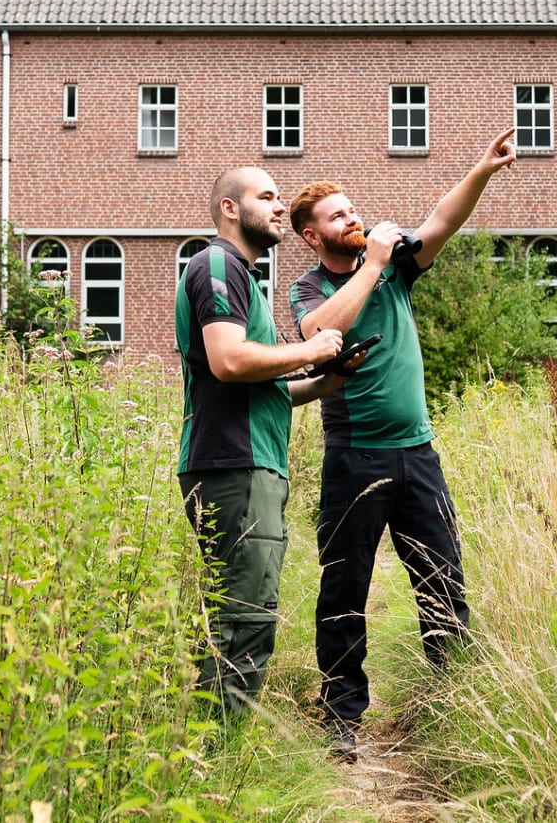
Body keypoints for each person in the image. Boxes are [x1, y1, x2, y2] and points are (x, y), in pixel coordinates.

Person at [286, 128, 518, 759]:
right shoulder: (311, 287)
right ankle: (342, 718)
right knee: (344, 590)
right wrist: (373, 266)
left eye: (352, 209)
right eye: (337, 216)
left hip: (419, 454)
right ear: (312, 236)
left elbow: (443, 220)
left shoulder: (398, 267)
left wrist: (482, 169)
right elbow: (320, 335)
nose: (352, 218)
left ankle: (454, 703)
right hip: (353, 457)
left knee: (442, 580)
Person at [177, 166, 352, 715]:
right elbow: (229, 361)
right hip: (235, 463)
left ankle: (213, 743)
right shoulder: (217, 264)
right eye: (267, 197)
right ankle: (219, 749)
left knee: (241, 611)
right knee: (244, 619)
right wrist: (311, 349)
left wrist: (327, 380)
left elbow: (262, 384)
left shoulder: (242, 277)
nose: (279, 206)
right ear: (230, 208)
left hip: (248, 462)